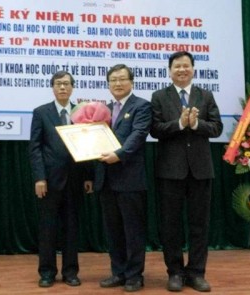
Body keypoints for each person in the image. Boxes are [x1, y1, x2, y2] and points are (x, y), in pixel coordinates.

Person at [150, 51, 223, 292]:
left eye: (186, 66)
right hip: (170, 171)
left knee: (199, 225)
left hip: (201, 170)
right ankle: (175, 273)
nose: (182, 70)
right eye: (177, 67)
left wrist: (196, 124)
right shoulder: (160, 96)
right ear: (169, 71)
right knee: (171, 225)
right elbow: (155, 129)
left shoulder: (206, 95)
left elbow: (217, 128)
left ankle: (197, 273)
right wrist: (180, 124)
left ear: (193, 68)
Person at [29, 71, 93, 288]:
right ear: (53, 87)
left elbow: (86, 146)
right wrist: (39, 177)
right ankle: (47, 272)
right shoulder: (41, 112)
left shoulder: (81, 112)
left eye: (66, 84)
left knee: (72, 228)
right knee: (48, 228)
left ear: (72, 87)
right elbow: (35, 148)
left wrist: (88, 176)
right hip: (49, 180)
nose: (63, 88)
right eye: (59, 84)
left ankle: (70, 272)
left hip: (75, 180)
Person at [95, 64, 152, 292]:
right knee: (113, 230)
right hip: (106, 179)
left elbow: (138, 134)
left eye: (122, 79)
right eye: (113, 80)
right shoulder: (104, 110)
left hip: (130, 179)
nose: (117, 84)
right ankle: (118, 272)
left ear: (132, 82)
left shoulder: (142, 106)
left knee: (133, 230)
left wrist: (118, 155)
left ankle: (134, 276)